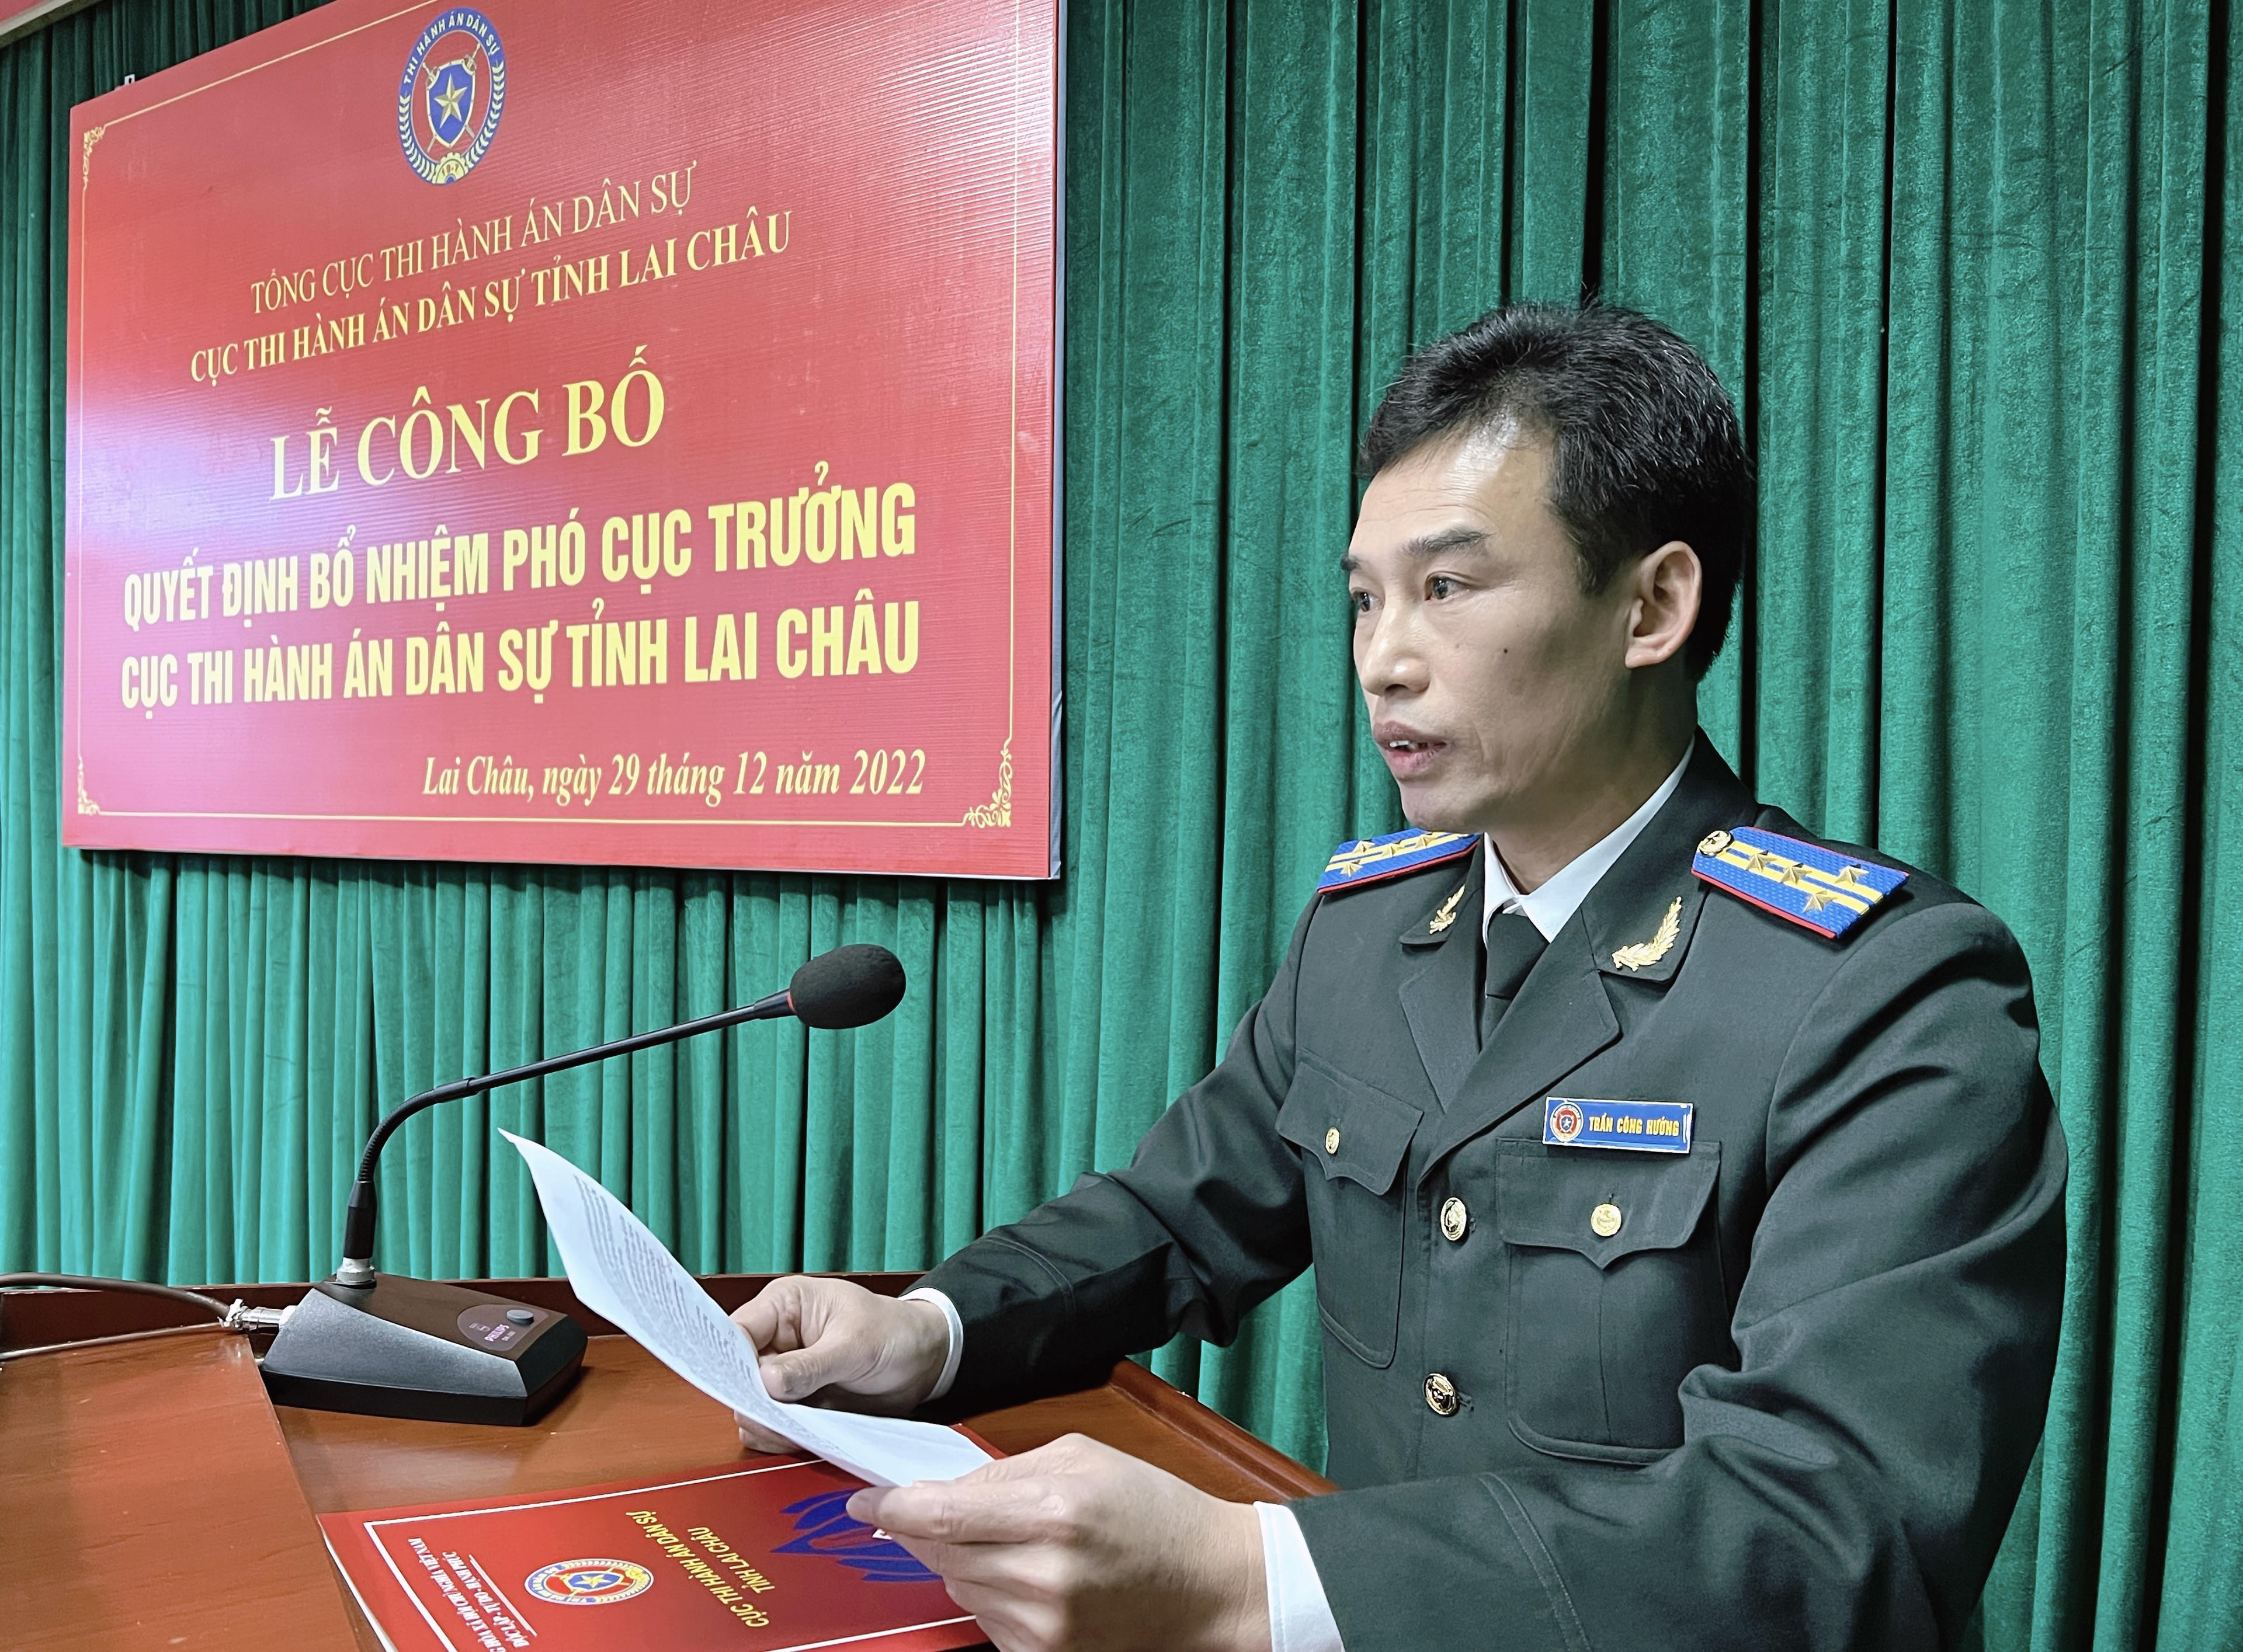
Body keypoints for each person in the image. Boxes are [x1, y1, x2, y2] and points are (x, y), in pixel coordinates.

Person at [730, 302, 2068, 1651]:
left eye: (1449, 587)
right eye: (1366, 599)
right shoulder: (1370, 928)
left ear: (1653, 605)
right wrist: (930, 1327)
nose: (1383, 659)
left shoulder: (1884, 993)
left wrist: (1245, 1573)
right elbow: (1180, 1213)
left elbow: (1832, 1530)